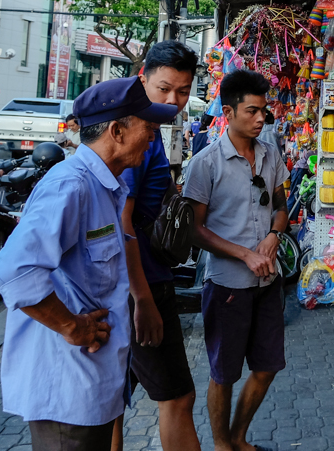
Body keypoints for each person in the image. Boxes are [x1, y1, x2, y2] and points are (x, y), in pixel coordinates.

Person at [0, 77, 177, 451]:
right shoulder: (70, 186)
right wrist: (71, 326)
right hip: (66, 391)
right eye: (149, 130)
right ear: (118, 131)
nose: (154, 140)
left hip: (91, 385)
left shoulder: (106, 185)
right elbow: (15, 270)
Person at [184, 69, 289, 451]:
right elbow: (194, 230)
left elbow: (281, 205)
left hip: (267, 283)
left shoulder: (271, 155)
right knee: (223, 374)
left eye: (264, 111)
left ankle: (238, 436)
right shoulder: (205, 163)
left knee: (266, 368)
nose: (261, 118)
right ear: (228, 112)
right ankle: (221, 444)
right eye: (252, 111)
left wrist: (275, 235)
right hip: (227, 284)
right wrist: (245, 253)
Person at [111, 42, 201, 451]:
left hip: (131, 282)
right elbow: (122, 220)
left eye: (183, 91)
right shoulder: (134, 132)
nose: (173, 100)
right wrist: (142, 299)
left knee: (112, 399)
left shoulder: (146, 127)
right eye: (165, 88)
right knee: (178, 397)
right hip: (142, 285)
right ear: (143, 75)